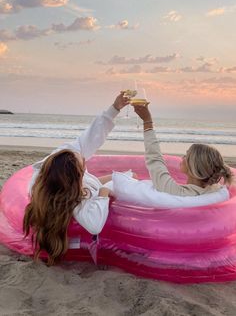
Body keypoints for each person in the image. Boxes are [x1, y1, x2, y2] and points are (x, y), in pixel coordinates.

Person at [23, 92, 129, 266]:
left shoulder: (59, 161)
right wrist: (104, 191)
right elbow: (94, 225)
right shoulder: (73, 198)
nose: (84, 159)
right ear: (77, 179)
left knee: (126, 178)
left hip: (70, 183)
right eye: (83, 165)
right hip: (78, 202)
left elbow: (88, 139)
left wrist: (114, 108)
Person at [133, 104, 233, 196]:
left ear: (194, 167)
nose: (182, 158)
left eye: (186, 156)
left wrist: (147, 120)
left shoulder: (176, 192)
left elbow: (155, 160)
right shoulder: (216, 189)